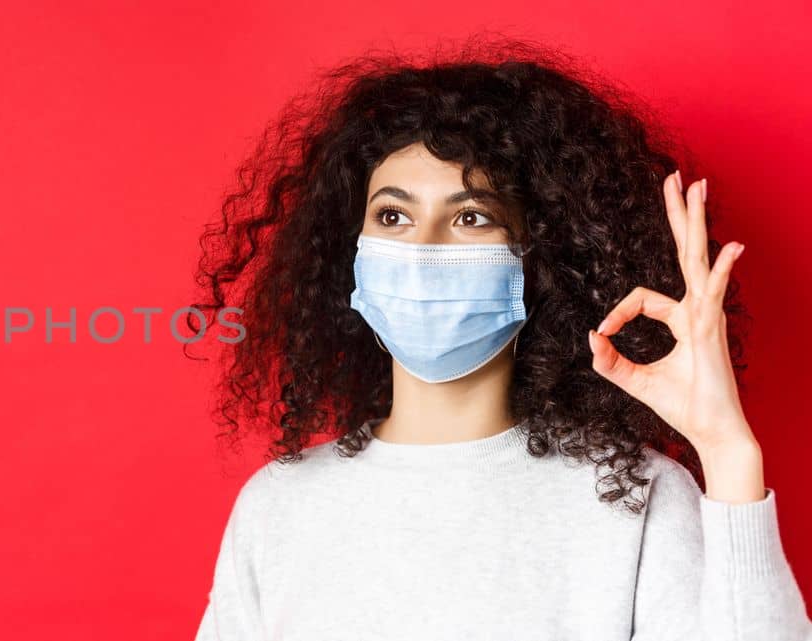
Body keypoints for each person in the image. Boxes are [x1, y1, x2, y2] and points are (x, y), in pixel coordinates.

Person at [188, 37, 811, 640]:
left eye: (470, 217)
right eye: (393, 216)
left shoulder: (631, 496)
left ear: (537, 259)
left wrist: (729, 455)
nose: (423, 248)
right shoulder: (280, 506)